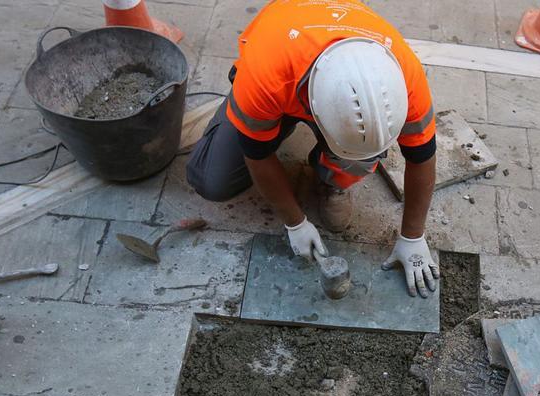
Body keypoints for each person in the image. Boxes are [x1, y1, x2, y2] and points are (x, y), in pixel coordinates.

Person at [186, 0, 440, 298]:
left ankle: (330, 180)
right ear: (314, 110)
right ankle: (257, 117)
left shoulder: (405, 79)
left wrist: (413, 237)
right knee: (211, 181)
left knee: (360, 155)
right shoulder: (266, 73)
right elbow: (257, 155)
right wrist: (294, 221)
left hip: (306, 80)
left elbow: (422, 156)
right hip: (281, 67)